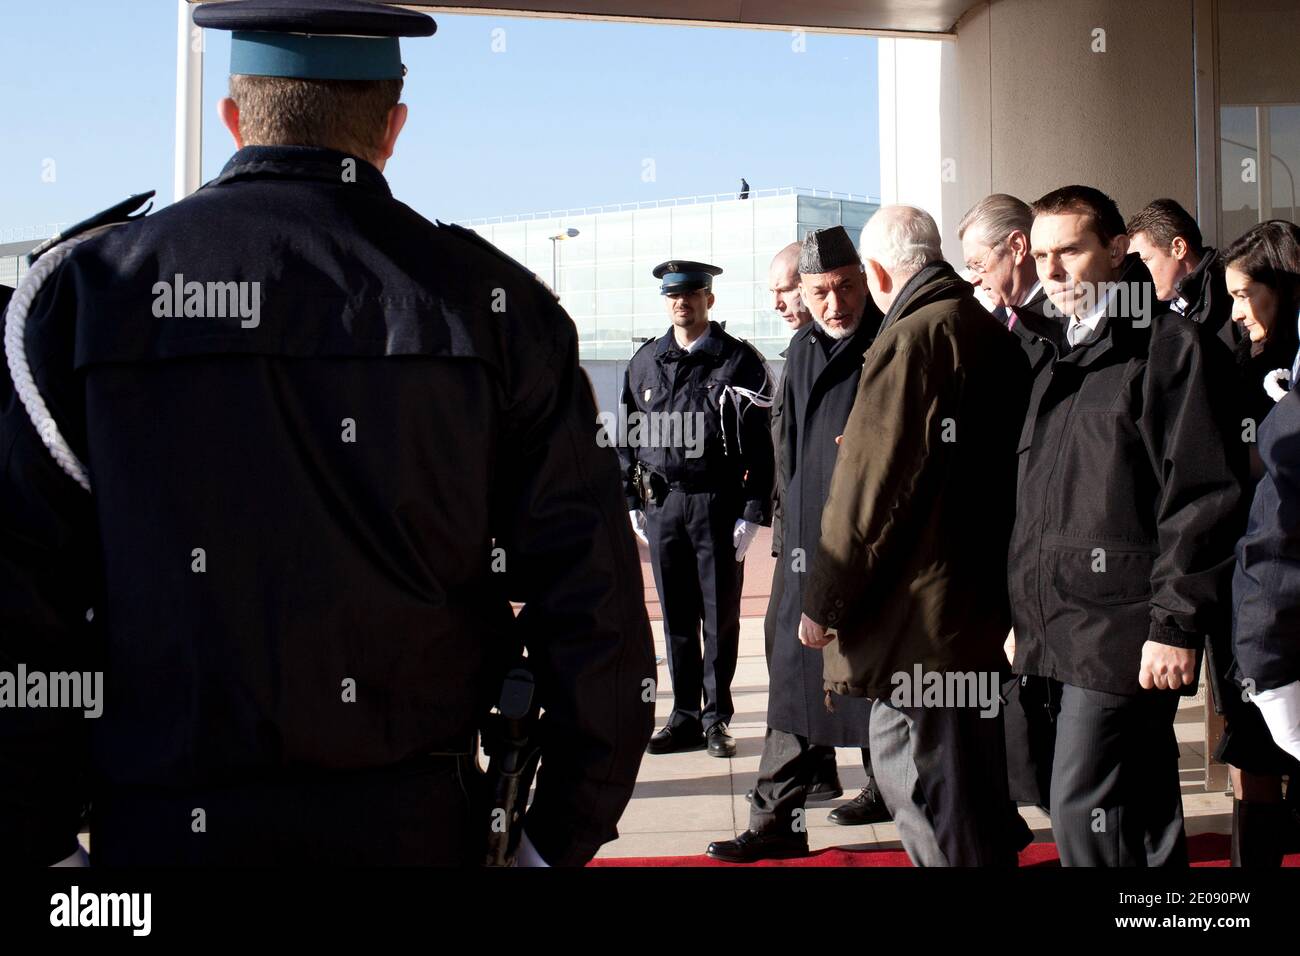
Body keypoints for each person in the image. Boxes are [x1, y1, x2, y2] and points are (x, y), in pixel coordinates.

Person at [0, 0, 655, 867]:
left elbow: (18, 600)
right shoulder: (499, 308)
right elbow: (596, 601)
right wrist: (556, 834)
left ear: (233, 116)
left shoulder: (81, 296)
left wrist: (42, 842)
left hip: (162, 834)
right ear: (392, 127)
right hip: (419, 828)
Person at [1008, 185, 1246, 867]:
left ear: (1116, 249)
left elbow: (1201, 497)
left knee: (1083, 809)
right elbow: (1038, 500)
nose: (1052, 272)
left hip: (1124, 632)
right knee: (1139, 807)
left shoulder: (1169, 349)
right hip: (1053, 626)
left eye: (1071, 251)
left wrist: (1173, 625)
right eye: (1043, 254)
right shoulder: (1045, 351)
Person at [798, 208, 1032, 866]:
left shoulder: (914, 337)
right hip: (967, 610)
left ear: (875, 272)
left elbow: (871, 491)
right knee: (951, 785)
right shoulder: (983, 329)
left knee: (938, 794)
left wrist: (823, 600)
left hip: (925, 624)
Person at [708, 228, 886, 863]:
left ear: (865, 280)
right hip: (802, 553)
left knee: (882, 691)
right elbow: (787, 456)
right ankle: (775, 819)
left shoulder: (890, 346)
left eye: (843, 288)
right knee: (791, 683)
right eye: (819, 292)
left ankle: (924, 801)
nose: (834, 304)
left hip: (870, 560)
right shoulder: (801, 349)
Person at [620, 260, 775, 758]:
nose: (681, 303)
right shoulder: (645, 361)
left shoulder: (738, 361)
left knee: (719, 614)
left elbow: (762, 444)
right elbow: (627, 435)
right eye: (673, 295)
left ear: (709, 299)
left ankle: (716, 717)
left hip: (717, 504)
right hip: (663, 505)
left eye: (691, 294)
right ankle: (683, 714)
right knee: (676, 617)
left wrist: (753, 512)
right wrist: (631, 500)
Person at [958, 192, 1056, 817]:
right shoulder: (1005, 322)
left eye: (977, 262)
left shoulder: (1054, 328)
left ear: (1015, 247)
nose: (973, 277)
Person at [1218, 220, 1300, 865]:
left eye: (1246, 295)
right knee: (1254, 746)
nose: (1237, 312)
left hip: (1282, 592)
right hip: (1256, 589)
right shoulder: (1239, 356)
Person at [1127, 198, 1239, 351]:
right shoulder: (1149, 305)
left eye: (1145, 261)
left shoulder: (1235, 293)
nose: (1140, 272)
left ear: (1178, 248)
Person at [958, 193, 1047, 329]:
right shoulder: (990, 327)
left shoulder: (1063, 323)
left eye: (978, 263)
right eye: (971, 267)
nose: (974, 280)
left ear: (1017, 247)